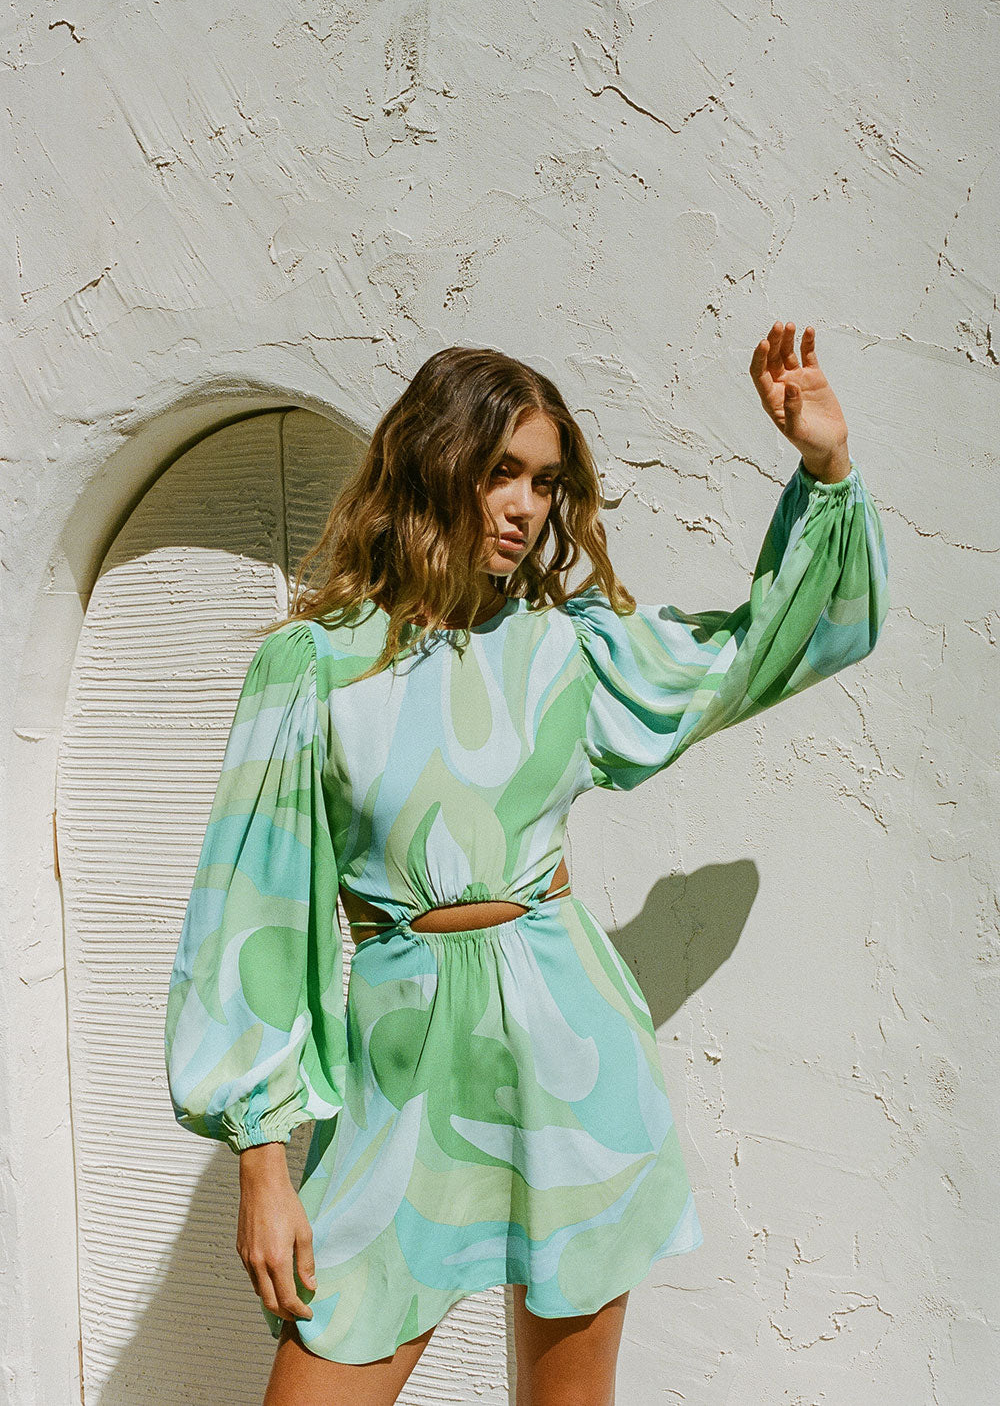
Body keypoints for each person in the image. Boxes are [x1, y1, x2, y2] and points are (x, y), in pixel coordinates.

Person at [164, 321, 889, 1406]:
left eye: (545, 482)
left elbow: (756, 651)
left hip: (570, 1056)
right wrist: (262, 1165)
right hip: (401, 1080)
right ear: (432, 463)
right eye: (500, 471)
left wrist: (825, 469)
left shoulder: (569, 649)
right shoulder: (315, 669)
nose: (524, 506)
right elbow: (252, 917)